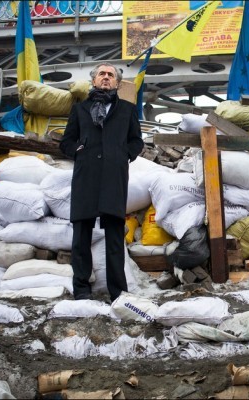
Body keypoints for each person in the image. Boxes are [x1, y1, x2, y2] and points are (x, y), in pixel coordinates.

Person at [60, 62, 144, 302]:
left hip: (113, 178)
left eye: (110, 75)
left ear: (117, 82)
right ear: (94, 80)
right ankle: (81, 290)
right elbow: (66, 142)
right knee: (81, 237)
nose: (106, 77)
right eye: (101, 74)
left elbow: (136, 141)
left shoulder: (127, 110)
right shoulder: (80, 109)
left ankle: (118, 292)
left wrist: (123, 155)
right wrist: (79, 151)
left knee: (115, 237)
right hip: (85, 177)